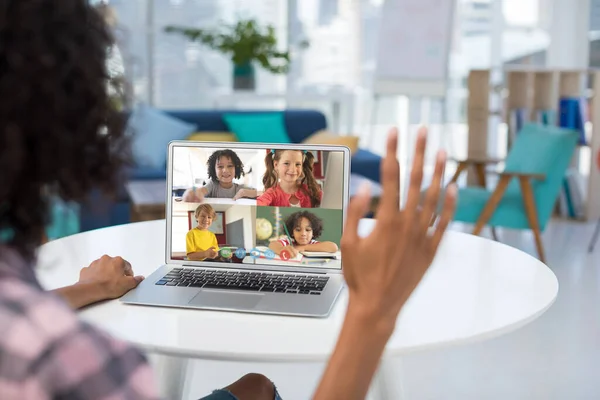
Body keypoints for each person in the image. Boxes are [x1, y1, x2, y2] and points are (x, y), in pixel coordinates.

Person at [0, 1, 457, 400]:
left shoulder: (261, 197)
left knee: (255, 385)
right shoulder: (79, 364)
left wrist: (93, 287)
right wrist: (372, 314)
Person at [182, 149, 257, 202]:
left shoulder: (240, 188)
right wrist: (194, 191)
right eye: (220, 167)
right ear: (214, 170)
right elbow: (202, 190)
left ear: (236, 168)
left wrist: (245, 192)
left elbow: (264, 193)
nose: (225, 170)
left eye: (230, 166)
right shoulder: (212, 184)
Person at [256, 149, 322, 208]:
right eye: (286, 163)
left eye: (298, 164)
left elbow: (329, 200)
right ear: (276, 165)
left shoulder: (310, 190)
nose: (293, 170)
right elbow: (259, 204)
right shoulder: (271, 194)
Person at [268, 211, 338, 258]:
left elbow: (333, 247)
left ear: (313, 232)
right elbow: (272, 244)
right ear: (292, 232)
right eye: (298, 230)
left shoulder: (313, 244)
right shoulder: (289, 242)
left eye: (308, 230)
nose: (303, 234)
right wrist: (281, 249)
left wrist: (302, 247)